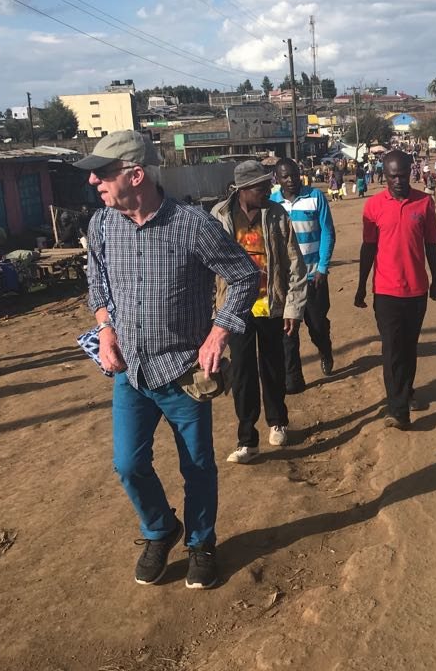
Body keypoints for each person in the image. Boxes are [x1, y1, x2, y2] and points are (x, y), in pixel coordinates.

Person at [77, 130, 260, 589]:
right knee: (127, 464)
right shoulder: (102, 224)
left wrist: (219, 332)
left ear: (135, 175)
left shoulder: (192, 225)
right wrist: (105, 327)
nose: (94, 182)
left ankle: (201, 543)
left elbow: (243, 275)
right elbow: (96, 278)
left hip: (183, 373)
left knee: (197, 465)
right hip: (131, 371)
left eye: (102, 174)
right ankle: (160, 529)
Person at [212, 160, 307, 463]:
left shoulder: (276, 214)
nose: (269, 189)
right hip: (235, 309)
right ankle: (246, 439)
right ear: (243, 190)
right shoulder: (219, 216)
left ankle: (277, 421)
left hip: (272, 304)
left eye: (268, 185)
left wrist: (293, 308)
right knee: (242, 373)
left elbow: (294, 263)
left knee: (273, 367)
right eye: (261, 186)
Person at [355, 149, 436, 429]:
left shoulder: (424, 204)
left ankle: (406, 390)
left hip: (416, 291)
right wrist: (360, 286)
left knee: (408, 347)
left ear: (410, 173)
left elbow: (431, 245)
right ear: (385, 176)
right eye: (393, 176)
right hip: (386, 291)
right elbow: (368, 248)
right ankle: (398, 409)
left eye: (403, 175)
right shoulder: (374, 206)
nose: (398, 181)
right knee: (392, 349)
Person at [270, 158, 336, 393]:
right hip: (287, 283)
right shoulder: (272, 204)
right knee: (288, 332)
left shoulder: (315, 197)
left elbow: (328, 232)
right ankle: (294, 380)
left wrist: (322, 268)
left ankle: (325, 350)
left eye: (294, 175)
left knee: (317, 325)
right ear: (277, 179)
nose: (291, 180)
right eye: (285, 176)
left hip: (313, 277)